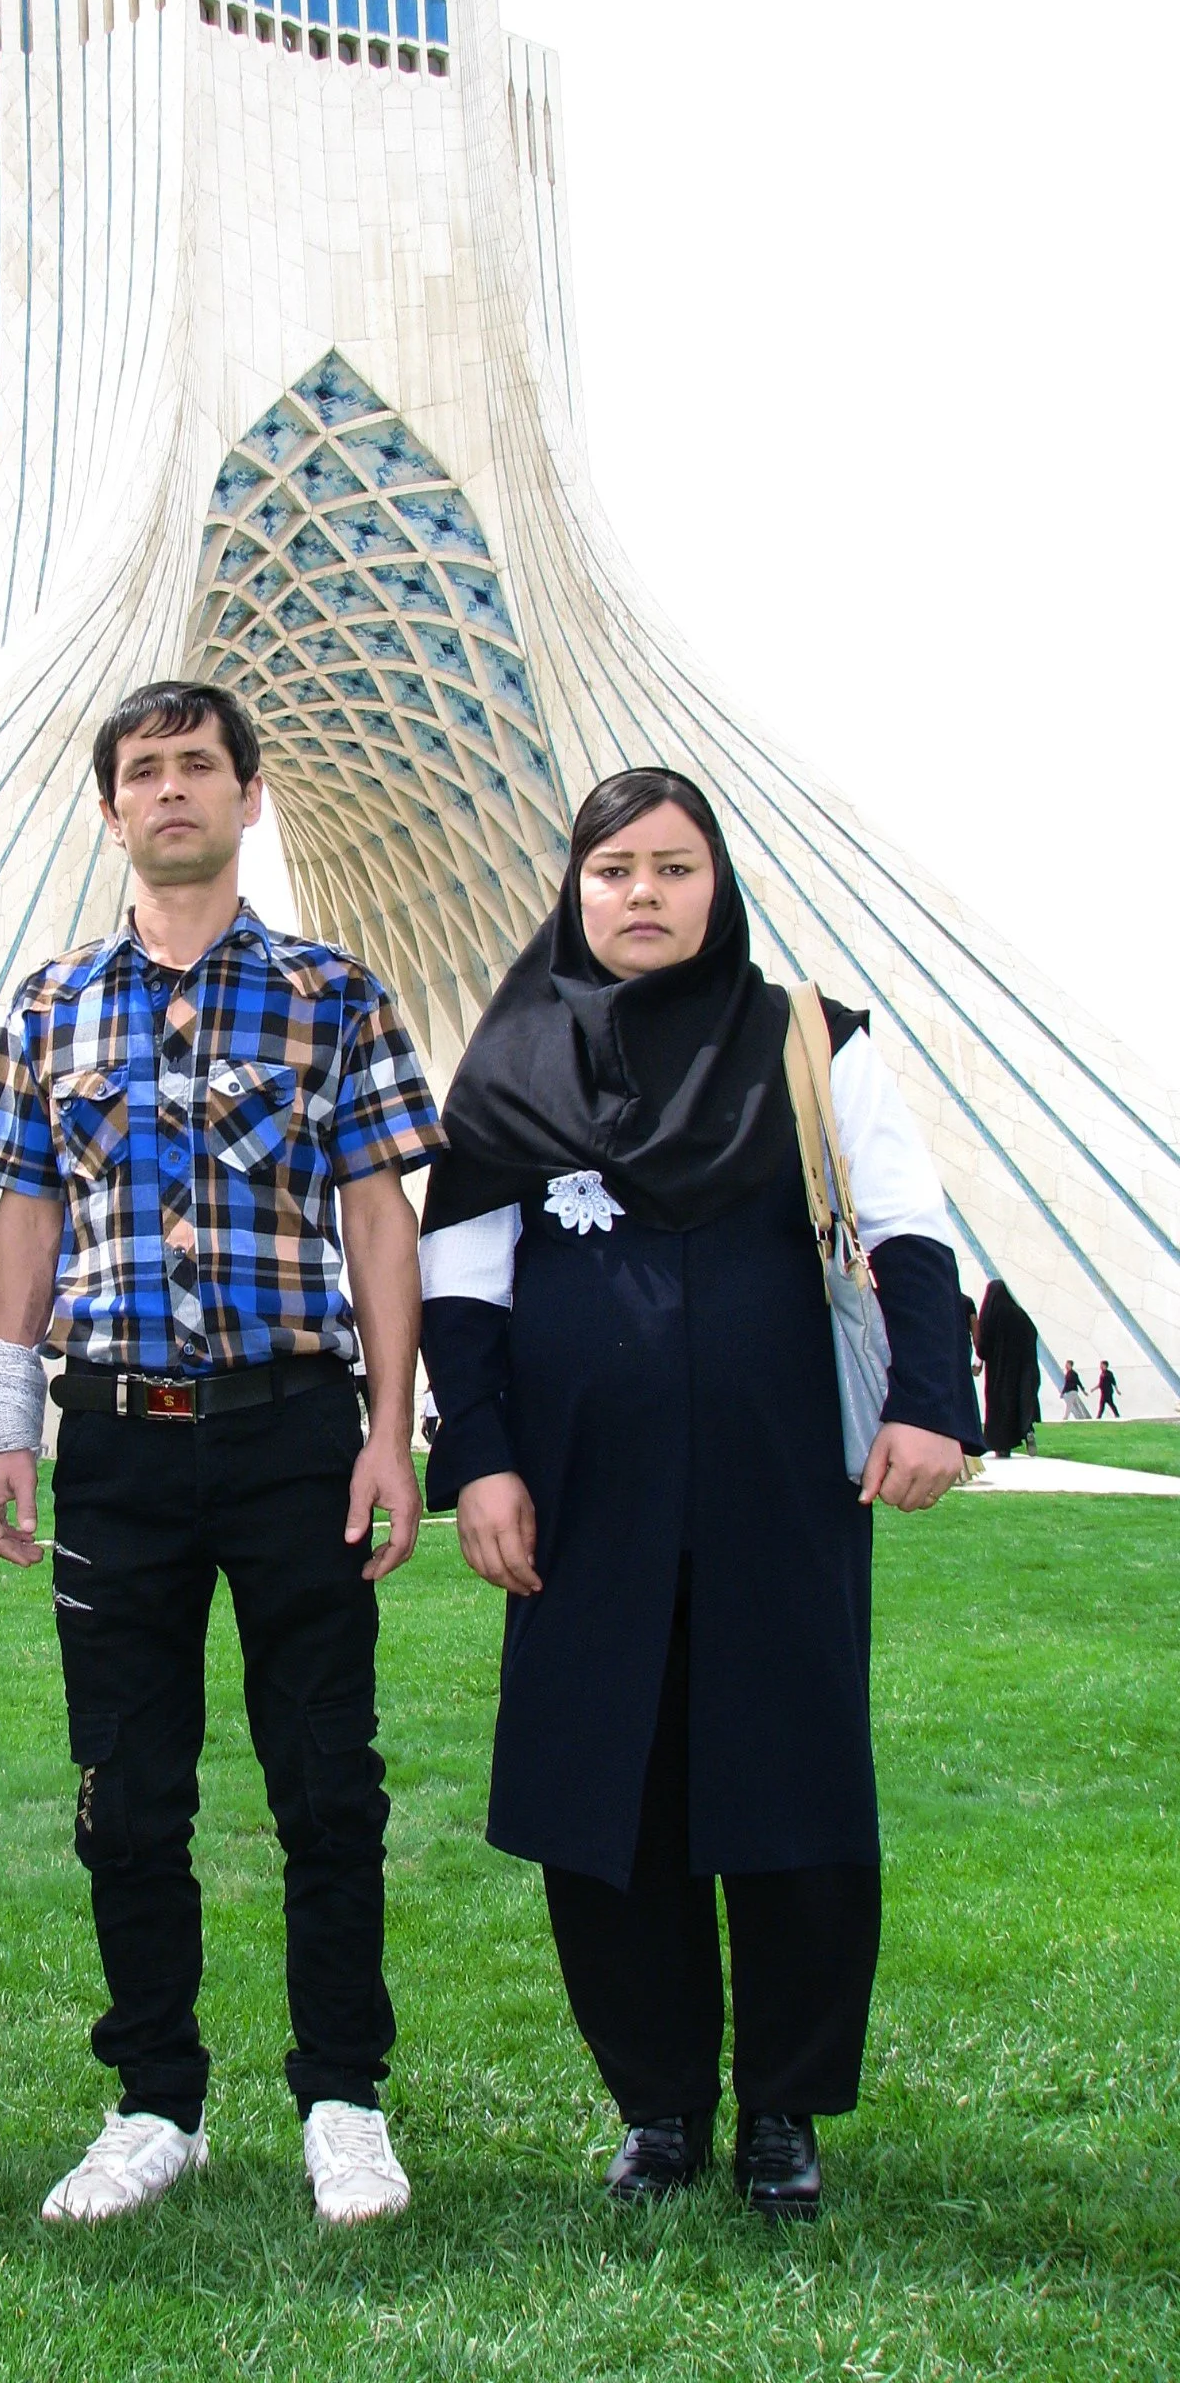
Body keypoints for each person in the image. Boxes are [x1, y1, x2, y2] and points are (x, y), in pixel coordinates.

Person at [419, 767, 980, 2223]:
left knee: (788, 1782)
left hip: (777, 1481)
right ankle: (659, 2107)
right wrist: (478, 1457)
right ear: (574, 889)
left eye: (673, 868)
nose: (644, 896)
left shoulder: (810, 1041)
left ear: (716, 884)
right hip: (581, 1496)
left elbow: (909, 1226)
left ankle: (784, 2110)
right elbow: (462, 1291)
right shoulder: (509, 1067)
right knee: (605, 1791)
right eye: (614, 871)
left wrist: (931, 1399)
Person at [0, 680, 445, 2228]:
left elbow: (380, 1221)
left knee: (327, 1779)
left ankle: (344, 2099)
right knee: (127, 1790)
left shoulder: (332, 994)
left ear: (250, 797)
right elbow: (24, 1222)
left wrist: (390, 1431)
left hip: (293, 1432)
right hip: (114, 1443)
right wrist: (7, 1429)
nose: (171, 793)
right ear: (112, 810)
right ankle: (154, 2099)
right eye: (143, 773)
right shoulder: (50, 1008)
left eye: (199, 768)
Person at [975, 1279, 1041, 1456]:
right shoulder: (1018, 1314)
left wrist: (982, 1357)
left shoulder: (990, 1315)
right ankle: (1027, 1431)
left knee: (999, 1408)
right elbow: (1032, 1333)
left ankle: (1002, 1448)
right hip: (1019, 1370)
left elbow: (982, 1347)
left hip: (997, 1372)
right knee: (1019, 1403)